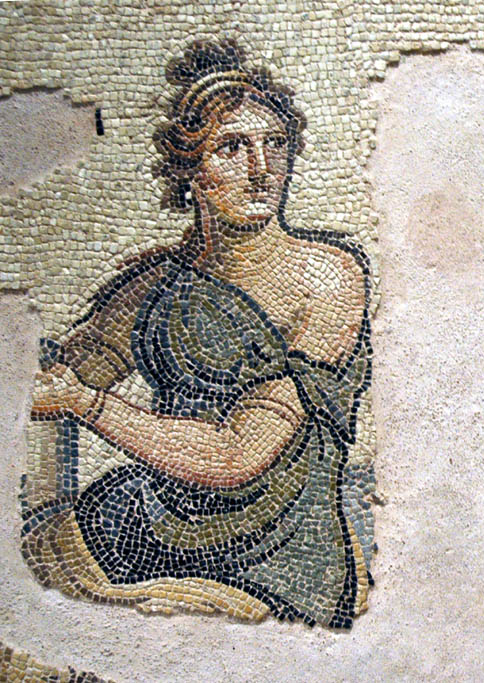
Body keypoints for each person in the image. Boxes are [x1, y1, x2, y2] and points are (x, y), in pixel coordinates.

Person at [21, 40, 374, 629]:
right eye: (232, 148)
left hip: (275, 560)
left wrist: (86, 403)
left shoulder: (328, 278)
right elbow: (51, 377)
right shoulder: (157, 286)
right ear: (191, 170)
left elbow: (238, 454)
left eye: (275, 145)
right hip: (143, 525)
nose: (261, 169)